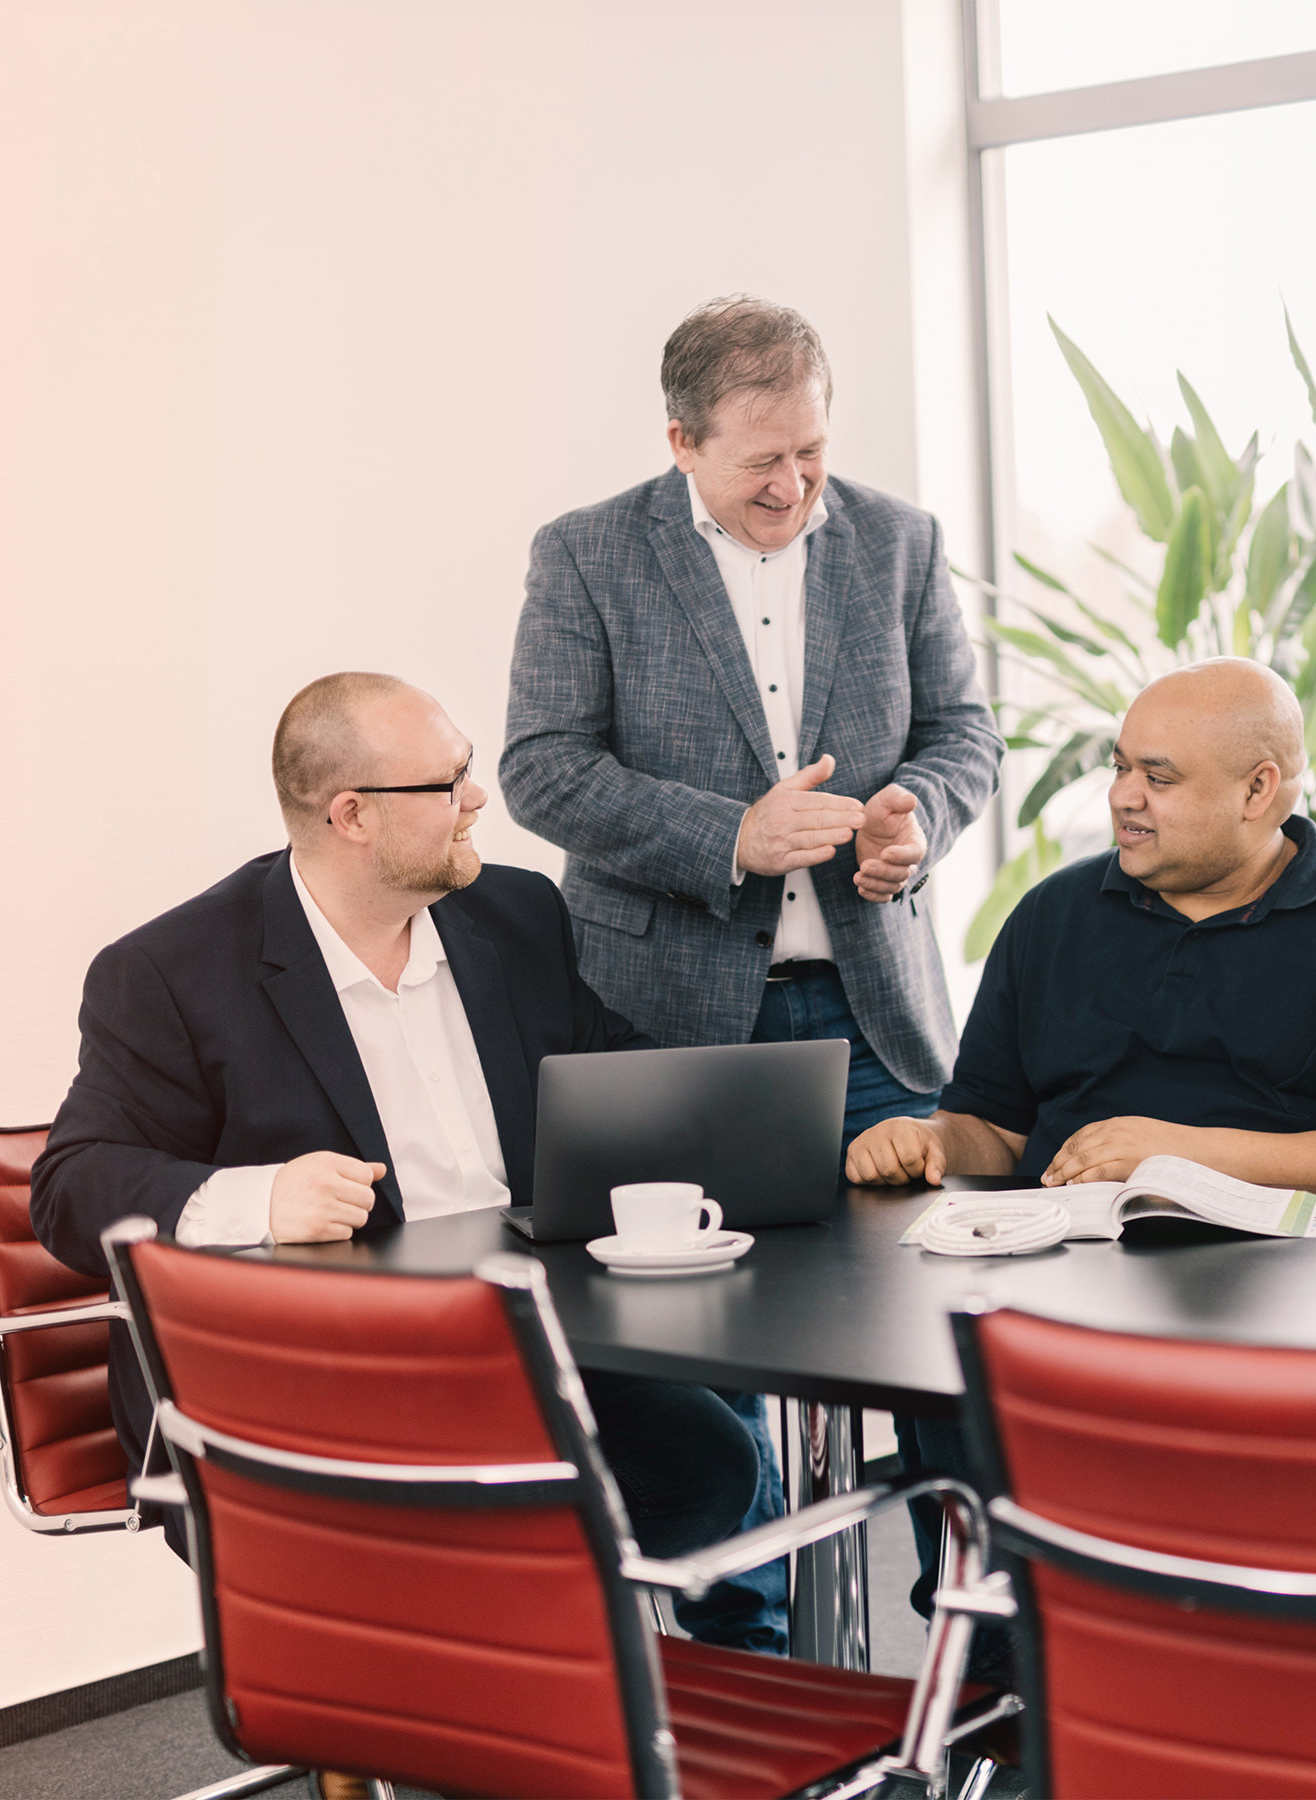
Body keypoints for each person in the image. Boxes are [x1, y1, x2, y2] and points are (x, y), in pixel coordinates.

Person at [31, 672, 773, 1651]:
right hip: (310, 1378)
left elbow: (607, 1068)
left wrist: (750, 1120)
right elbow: (70, 1187)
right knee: (502, 1512)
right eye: (451, 781)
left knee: (708, 1456)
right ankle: (462, 1703)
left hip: (522, 1347)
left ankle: (521, 1690)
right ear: (353, 817)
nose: (479, 800)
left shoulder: (512, 916)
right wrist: (259, 1196)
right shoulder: (175, 972)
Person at [501, 292, 1000, 1653]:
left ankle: (991, 1670)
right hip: (658, 1033)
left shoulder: (898, 542)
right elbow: (540, 767)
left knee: (950, 1345)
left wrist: (917, 821)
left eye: (813, 453)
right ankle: (750, 1676)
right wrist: (727, 835)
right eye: (760, 461)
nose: (794, 486)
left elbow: (966, 736)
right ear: (681, 442)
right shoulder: (590, 556)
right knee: (688, 1367)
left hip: (871, 1023)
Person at [848, 657, 1316, 1192]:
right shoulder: (1052, 913)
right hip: (1068, 1259)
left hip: (1285, 1272)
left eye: (1158, 779)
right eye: (1120, 769)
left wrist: (1180, 1156)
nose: (1123, 798)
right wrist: (929, 1141)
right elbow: (994, 1132)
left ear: (1257, 790)